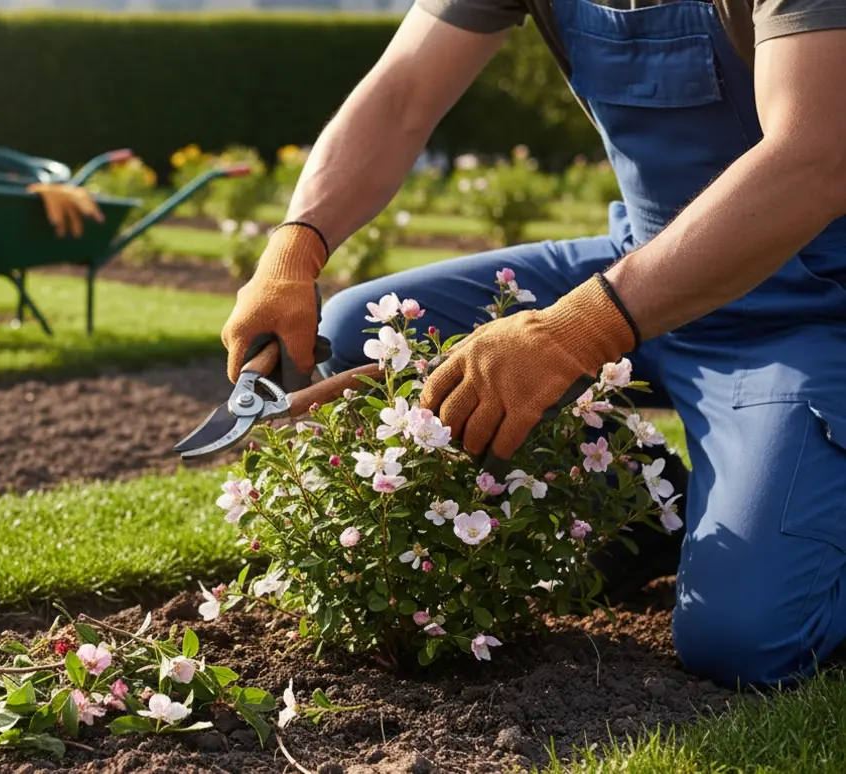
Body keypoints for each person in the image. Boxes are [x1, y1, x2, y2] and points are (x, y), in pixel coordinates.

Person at [219, 0, 846, 690]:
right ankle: (643, 518)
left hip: (806, 306)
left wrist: (577, 329)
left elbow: (815, 156)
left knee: (747, 640)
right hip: (641, 259)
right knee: (366, 334)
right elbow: (400, 94)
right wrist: (295, 245)